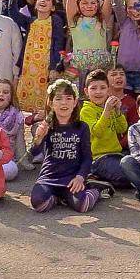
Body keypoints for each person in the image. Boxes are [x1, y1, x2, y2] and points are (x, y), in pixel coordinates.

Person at [29, 80, 103, 213]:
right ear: (51, 103)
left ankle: (97, 189)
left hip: (72, 178)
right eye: (58, 99)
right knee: (38, 203)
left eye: (69, 98)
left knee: (82, 206)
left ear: (75, 102)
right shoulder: (46, 126)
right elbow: (34, 153)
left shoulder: (82, 127)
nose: (64, 103)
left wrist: (80, 177)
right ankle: (58, 198)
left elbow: (87, 158)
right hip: (49, 177)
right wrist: (39, 138)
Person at [80, 70, 130, 189]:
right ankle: (93, 175)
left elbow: (122, 129)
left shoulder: (110, 108)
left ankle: (99, 178)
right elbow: (97, 132)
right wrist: (107, 111)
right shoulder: (86, 111)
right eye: (93, 88)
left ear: (108, 90)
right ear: (86, 92)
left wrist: (118, 111)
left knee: (136, 169)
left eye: (102, 88)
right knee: (127, 178)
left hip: (116, 154)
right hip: (98, 158)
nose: (98, 92)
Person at [0, 78, 27, 179]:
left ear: (11, 96)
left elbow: (20, 142)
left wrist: (24, 162)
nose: (1, 94)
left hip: (5, 156)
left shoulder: (18, 115)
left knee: (11, 171)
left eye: (5, 92)